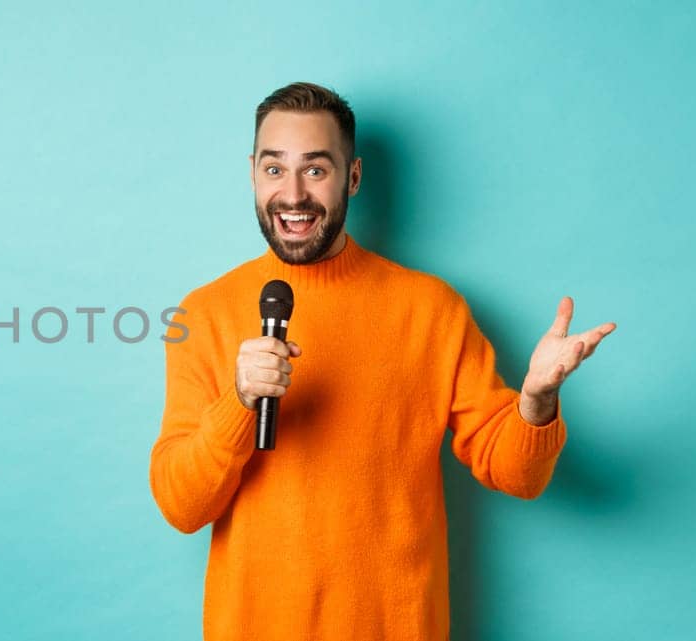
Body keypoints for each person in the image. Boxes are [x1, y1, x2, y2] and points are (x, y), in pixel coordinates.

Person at [148, 82, 617, 640]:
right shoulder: (205, 313)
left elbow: (515, 473)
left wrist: (537, 401)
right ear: (252, 172)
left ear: (353, 176)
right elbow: (182, 506)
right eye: (275, 169)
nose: (293, 194)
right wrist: (239, 403)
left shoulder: (431, 309)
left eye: (316, 170)